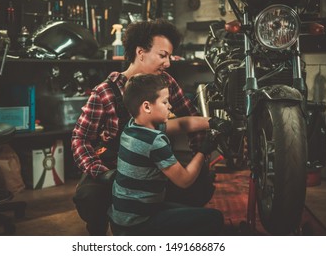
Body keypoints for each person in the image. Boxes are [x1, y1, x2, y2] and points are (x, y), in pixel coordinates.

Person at [71, 19, 231, 235]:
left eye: (170, 57)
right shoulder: (105, 93)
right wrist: (101, 173)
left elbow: (189, 118)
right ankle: (101, 226)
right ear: (140, 52)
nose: (168, 63)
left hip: (155, 163)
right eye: (162, 55)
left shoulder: (165, 82)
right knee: (90, 198)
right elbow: (80, 139)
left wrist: (199, 154)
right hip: (112, 166)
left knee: (199, 184)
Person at [108, 74, 224, 235]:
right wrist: (204, 150)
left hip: (123, 217)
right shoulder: (154, 141)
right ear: (147, 107)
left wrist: (212, 122)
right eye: (164, 102)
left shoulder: (133, 127)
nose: (170, 106)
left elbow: (181, 124)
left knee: (189, 210)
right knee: (214, 218)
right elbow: (184, 180)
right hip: (138, 224)